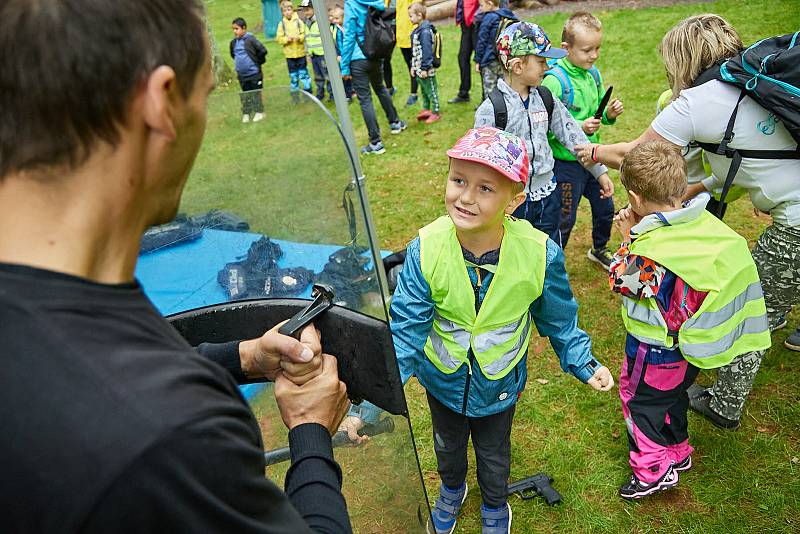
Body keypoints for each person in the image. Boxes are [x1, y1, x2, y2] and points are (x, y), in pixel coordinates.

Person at [0, 1, 353, 532]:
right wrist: (309, 431)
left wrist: (245, 356)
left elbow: (100, 353)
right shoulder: (168, 441)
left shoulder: (52, 308)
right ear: (162, 101)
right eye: (205, 94)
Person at [342, 127, 615, 534]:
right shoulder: (424, 249)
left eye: (485, 188)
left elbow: (559, 317)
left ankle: (494, 504)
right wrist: (367, 404)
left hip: (499, 382)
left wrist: (580, 359)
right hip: (443, 378)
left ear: (515, 200)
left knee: (493, 453)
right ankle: (452, 489)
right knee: (446, 445)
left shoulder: (540, 254)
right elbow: (404, 335)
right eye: (458, 180)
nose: (466, 197)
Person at [575, 14, 800, 430]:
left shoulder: (698, 102)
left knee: (753, 311)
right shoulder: (751, 83)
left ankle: (724, 403)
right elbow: (732, 164)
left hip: (796, 223)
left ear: (681, 60)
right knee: (778, 286)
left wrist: (594, 151)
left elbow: (636, 157)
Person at [609, 141, 770, 499]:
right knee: (674, 396)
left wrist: (627, 239)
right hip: (690, 346)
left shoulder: (652, 248)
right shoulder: (702, 224)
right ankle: (677, 450)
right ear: (681, 189)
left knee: (640, 403)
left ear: (634, 199)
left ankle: (652, 469)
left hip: (654, 350)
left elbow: (623, 282)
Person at [475, 21, 613, 243]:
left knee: (549, 253)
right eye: (541, 62)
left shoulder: (546, 99)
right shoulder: (491, 110)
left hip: (548, 196)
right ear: (518, 66)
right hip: (510, 204)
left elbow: (573, 136)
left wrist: (599, 171)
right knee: (513, 254)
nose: (547, 68)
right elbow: (479, 164)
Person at [541, 11, 624, 267]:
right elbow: (543, 126)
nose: (594, 55)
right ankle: (553, 264)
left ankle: (599, 249)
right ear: (566, 48)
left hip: (593, 159)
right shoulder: (554, 83)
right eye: (587, 50)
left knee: (605, 207)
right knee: (565, 217)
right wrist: (579, 126)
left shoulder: (593, 74)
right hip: (566, 165)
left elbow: (596, 116)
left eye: (597, 48)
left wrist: (607, 116)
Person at [340, 0, 407, 155]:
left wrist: (344, 66)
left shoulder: (351, 4)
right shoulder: (377, 2)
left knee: (365, 99)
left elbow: (349, 35)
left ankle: (375, 143)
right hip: (376, 54)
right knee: (381, 88)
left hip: (358, 59)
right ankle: (395, 123)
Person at [473, 0, 516, 101]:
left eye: (482, 5)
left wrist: (478, 60)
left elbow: (482, 40)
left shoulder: (489, 17)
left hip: (489, 59)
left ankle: (491, 114)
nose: (480, 8)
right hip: (503, 58)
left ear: (489, 3)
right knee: (504, 88)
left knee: (490, 91)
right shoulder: (508, 16)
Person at [230, 17, 267, 123]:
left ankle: (259, 112)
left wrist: (257, 63)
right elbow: (233, 55)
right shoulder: (233, 43)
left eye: (236, 29)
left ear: (244, 28)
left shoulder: (251, 40)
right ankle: (246, 112)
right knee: (245, 94)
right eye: (233, 29)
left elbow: (262, 51)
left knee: (256, 93)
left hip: (254, 73)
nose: (234, 31)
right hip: (242, 75)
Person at [408, 3, 441, 124]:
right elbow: (415, 51)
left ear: (419, 15)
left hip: (426, 69)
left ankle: (436, 112)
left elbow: (427, 51)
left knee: (431, 90)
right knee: (424, 91)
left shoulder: (425, 32)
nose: (410, 19)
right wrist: (413, 66)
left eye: (411, 16)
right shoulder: (418, 30)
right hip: (418, 68)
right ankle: (427, 109)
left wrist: (424, 68)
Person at [276, 0, 312, 101]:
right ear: (282, 12)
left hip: (300, 54)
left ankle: (308, 95)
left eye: (289, 9)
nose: (287, 12)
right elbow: (279, 38)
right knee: (293, 76)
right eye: (285, 11)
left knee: (304, 74)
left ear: (292, 10)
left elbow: (304, 34)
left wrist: (299, 38)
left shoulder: (298, 22)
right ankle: (295, 96)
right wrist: (287, 39)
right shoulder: (281, 24)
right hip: (290, 56)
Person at [300, 0, 333, 101]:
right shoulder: (306, 22)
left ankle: (332, 94)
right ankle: (320, 93)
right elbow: (306, 38)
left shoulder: (320, 21)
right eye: (304, 10)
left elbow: (328, 36)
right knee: (317, 75)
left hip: (322, 54)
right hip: (314, 54)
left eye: (308, 10)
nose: (306, 12)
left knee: (327, 75)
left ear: (314, 9)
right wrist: (308, 53)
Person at [450, 0, 480, 104]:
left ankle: (487, 97)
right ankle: (464, 93)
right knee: (462, 58)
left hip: (479, 24)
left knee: (482, 61)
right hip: (466, 24)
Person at [330, 5, 356, 101]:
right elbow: (337, 43)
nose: (335, 20)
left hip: (348, 55)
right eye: (334, 18)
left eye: (337, 18)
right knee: (344, 75)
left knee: (349, 74)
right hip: (341, 55)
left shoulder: (345, 27)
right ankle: (347, 94)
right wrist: (338, 54)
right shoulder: (336, 29)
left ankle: (351, 92)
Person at [396, 0, 419, 106]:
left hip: (412, 35)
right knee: (410, 66)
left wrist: (415, 31)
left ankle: (414, 93)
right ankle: (415, 92)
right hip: (402, 36)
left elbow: (417, 7)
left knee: (415, 66)